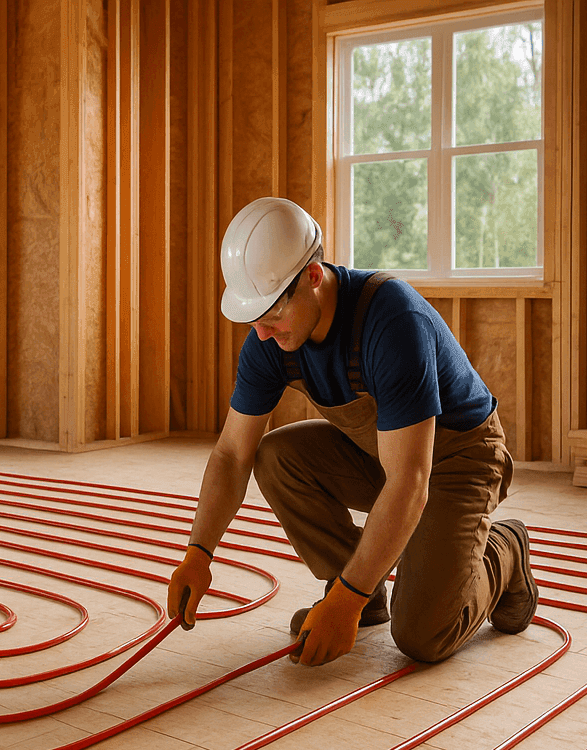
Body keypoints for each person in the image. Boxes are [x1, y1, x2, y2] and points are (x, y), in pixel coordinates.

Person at [166, 197, 536, 667]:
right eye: (254, 318)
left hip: (459, 461)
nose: (261, 333)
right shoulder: (270, 338)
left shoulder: (393, 323)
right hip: (386, 453)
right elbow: (231, 455)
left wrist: (346, 601)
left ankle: (505, 550)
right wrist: (199, 553)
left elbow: (409, 482)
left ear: (312, 277)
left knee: (422, 635)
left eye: (272, 315)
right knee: (276, 457)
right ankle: (363, 590)